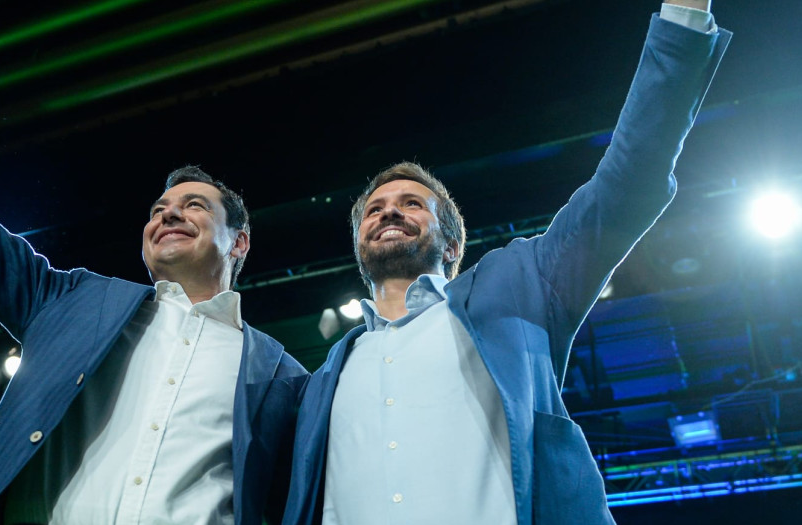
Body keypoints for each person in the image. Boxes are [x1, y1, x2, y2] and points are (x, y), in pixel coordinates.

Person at [284, 2, 730, 524]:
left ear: (452, 245)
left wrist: (683, 17)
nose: (389, 212)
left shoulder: (520, 283)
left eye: (411, 204)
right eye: (375, 210)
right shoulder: (321, 380)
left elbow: (626, 183)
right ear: (361, 247)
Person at [0, 1, 308, 524]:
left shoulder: (284, 377)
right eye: (158, 210)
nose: (169, 213)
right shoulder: (70, 301)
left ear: (239, 243)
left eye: (194, 205)